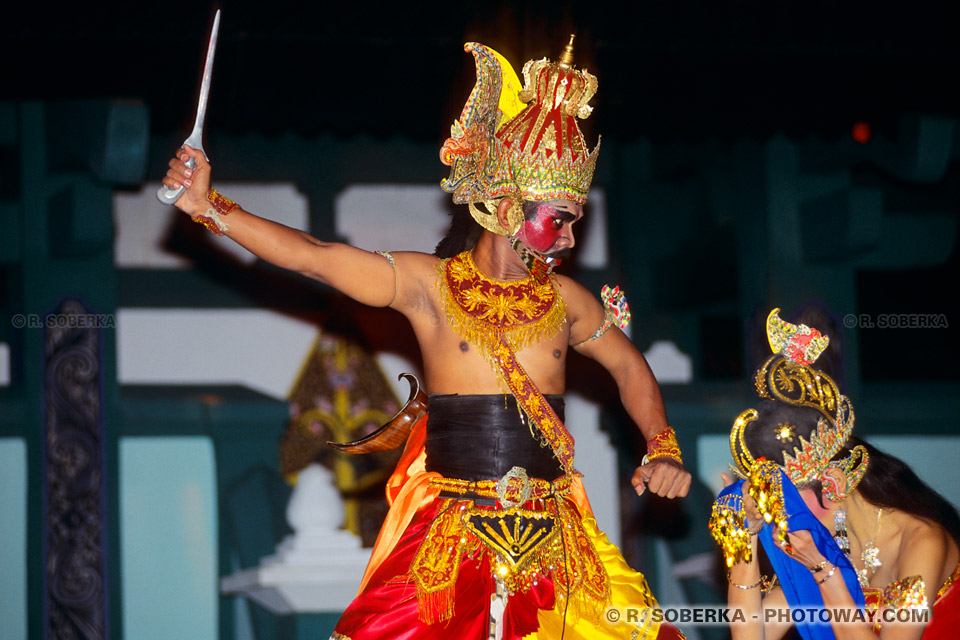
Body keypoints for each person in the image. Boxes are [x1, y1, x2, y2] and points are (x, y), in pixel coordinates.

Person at [164, 36, 691, 639]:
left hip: (557, 530)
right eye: (560, 220)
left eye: (574, 222)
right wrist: (211, 207)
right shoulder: (429, 286)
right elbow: (315, 257)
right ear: (502, 205)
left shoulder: (568, 302)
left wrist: (661, 446)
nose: (570, 240)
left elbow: (628, 367)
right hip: (450, 533)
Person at [709, 309, 960, 640]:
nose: (782, 520)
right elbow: (754, 635)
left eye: (787, 506)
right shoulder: (820, 545)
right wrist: (745, 537)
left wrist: (825, 573)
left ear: (834, 483)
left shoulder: (922, 541)